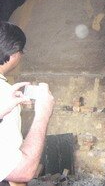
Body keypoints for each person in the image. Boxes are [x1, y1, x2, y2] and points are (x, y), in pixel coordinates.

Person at [0, 21, 54, 184]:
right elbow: (22, 171)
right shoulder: (3, 92)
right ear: (13, 51)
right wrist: (43, 113)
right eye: (21, 50)